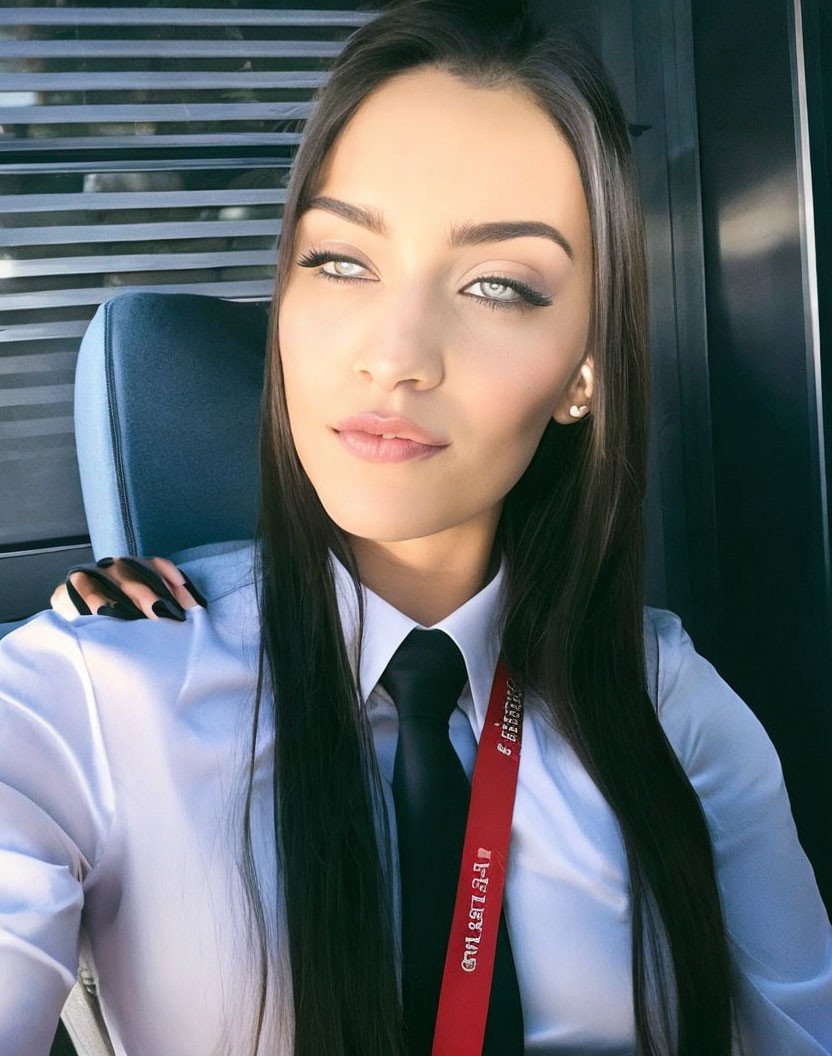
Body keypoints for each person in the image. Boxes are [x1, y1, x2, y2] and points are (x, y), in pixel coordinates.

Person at [2, 1, 831, 1053]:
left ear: (583, 371)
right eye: (341, 262)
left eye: (496, 285)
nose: (396, 354)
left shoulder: (676, 710)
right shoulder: (89, 692)